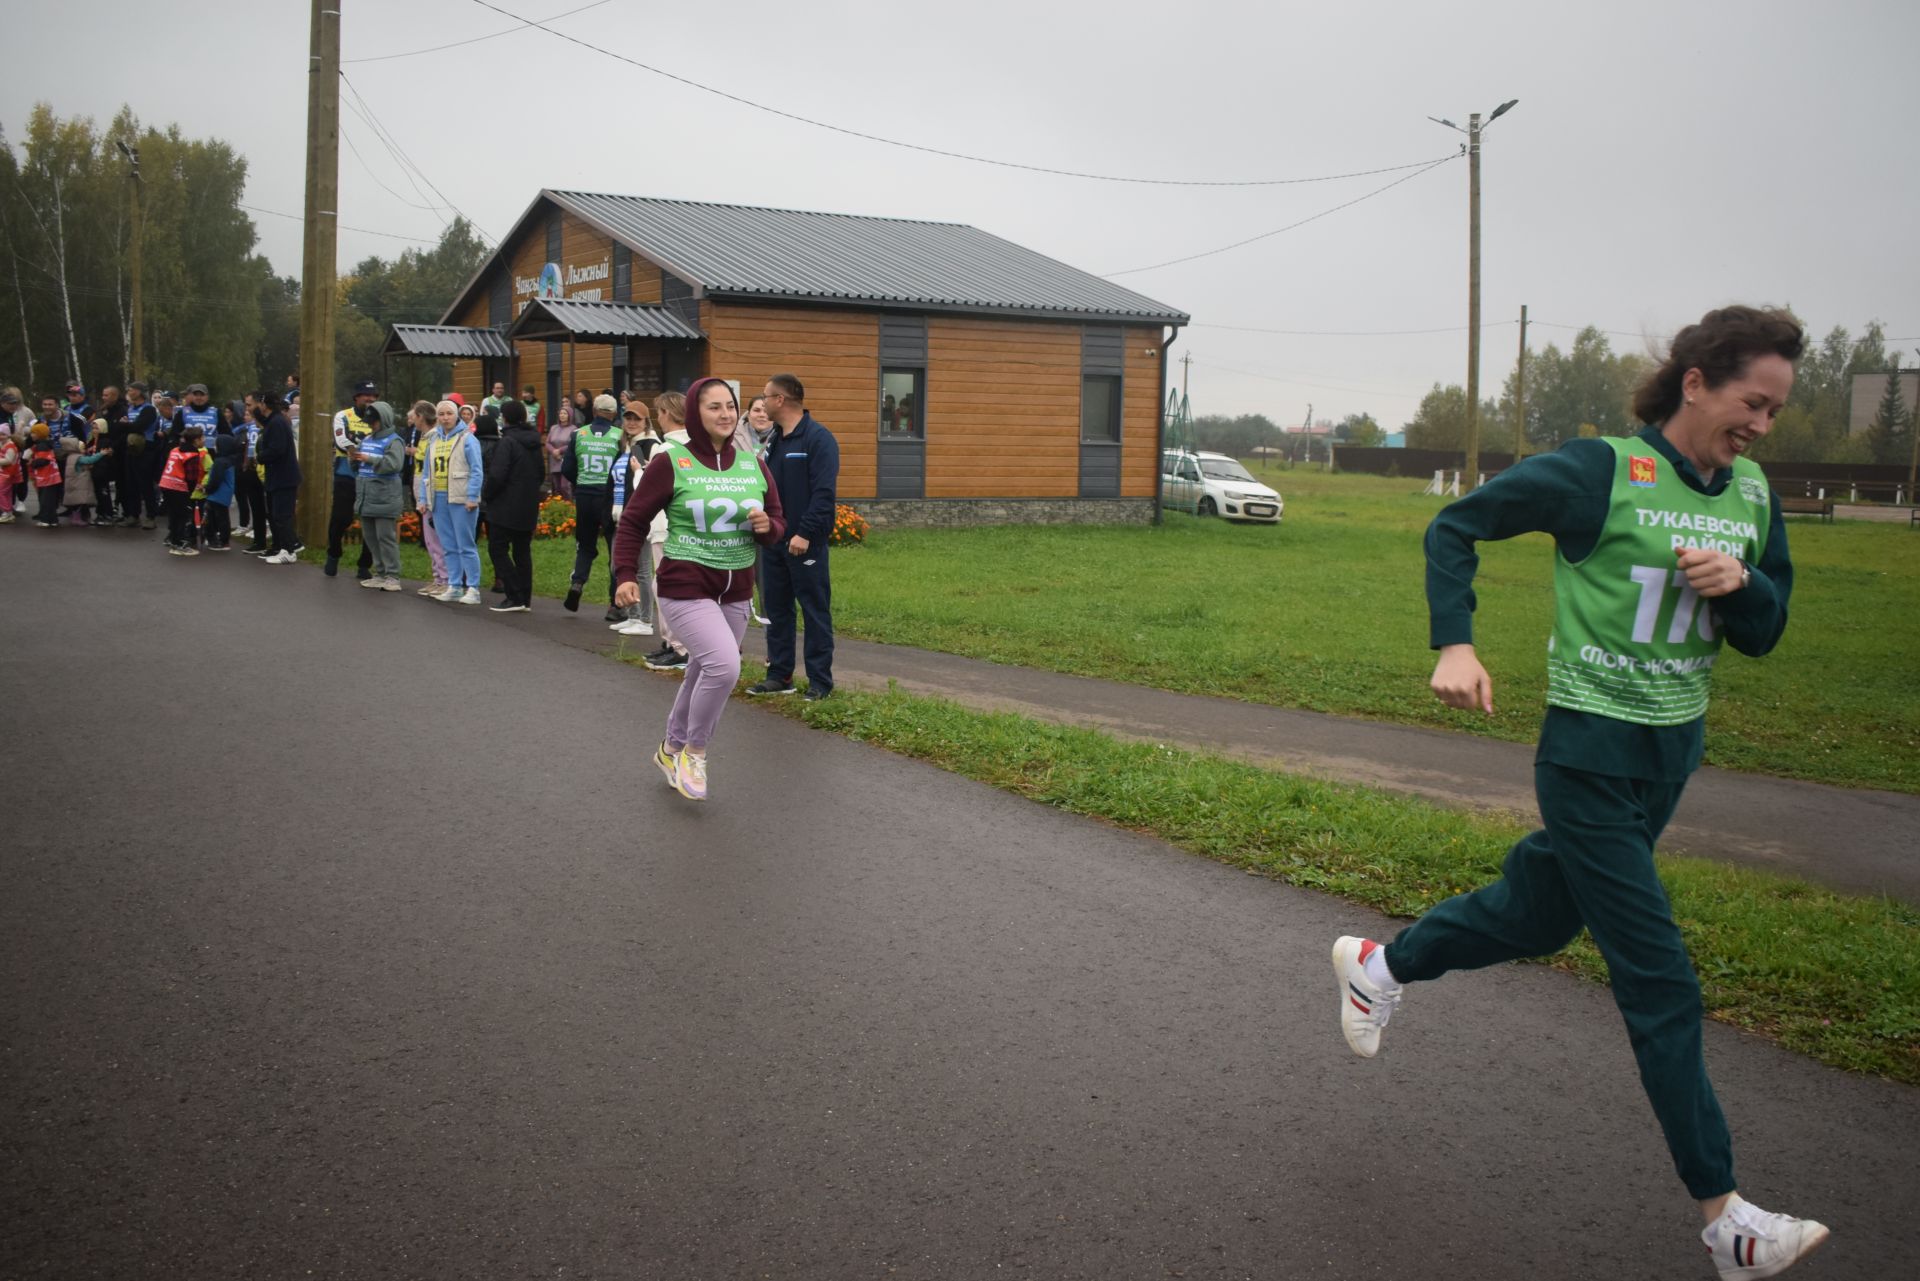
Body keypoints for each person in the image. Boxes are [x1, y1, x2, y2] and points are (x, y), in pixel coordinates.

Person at [1330, 306, 1826, 1279]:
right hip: (1587, 758)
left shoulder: (1754, 494)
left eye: (1775, 410)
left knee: (1539, 914)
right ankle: (1727, 1219)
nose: (1762, 425)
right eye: (1751, 402)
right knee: (1658, 975)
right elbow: (1456, 525)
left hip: (1669, 759)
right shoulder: (1602, 473)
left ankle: (1379, 968)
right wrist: (1456, 641)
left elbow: (1768, 629)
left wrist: (1741, 587)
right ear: (1696, 382)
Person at [611, 377, 785, 803]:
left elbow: (778, 521)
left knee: (701, 670)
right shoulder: (671, 462)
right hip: (685, 584)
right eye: (714, 407)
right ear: (695, 413)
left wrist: (768, 527)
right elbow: (633, 522)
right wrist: (624, 575)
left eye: (730, 406)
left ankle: (670, 748)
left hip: (736, 588)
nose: (725, 414)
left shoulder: (753, 464)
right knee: (724, 668)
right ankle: (695, 752)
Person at [746, 373, 839, 700]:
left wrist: (804, 533)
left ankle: (820, 683)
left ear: (781, 400)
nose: (763, 403)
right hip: (774, 542)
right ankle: (779, 675)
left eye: (767, 397)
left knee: (814, 610)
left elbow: (824, 495)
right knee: (777, 610)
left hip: (804, 544)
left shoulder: (818, 439)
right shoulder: (775, 440)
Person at [637, 391, 691, 670]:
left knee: (665, 587)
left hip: (664, 526)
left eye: (659, 412)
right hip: (685, 526)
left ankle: (678, 646)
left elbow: (646, 490)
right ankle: (672, 642)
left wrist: (638, 471)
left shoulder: (665, 449)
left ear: (667, 414)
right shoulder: (695, 446)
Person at [561, 393, 623, 619]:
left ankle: (577, 582)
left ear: (594, 411)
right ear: (614, 414)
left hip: (585, 494)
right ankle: (615, 605)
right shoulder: (619, 436)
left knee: (585, 545)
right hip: (609, 496)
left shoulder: (579, 434)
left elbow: (567, 467)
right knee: (615, 549)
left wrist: (581, 481)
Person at [483, 398, 543, 612]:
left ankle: (514, 593)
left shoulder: (507, 442)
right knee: (522, 551)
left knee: (497, 548)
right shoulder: (534, 441)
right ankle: (524, 598)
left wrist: (487, 494)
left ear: (505, 418)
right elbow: (541, 473)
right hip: (528, 503)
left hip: (505, 504)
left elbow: (497, 475)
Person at [608, 399, 661, 635]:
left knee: (641, 569)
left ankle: (645, 620)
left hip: (641, 517)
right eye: (628, 418)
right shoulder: (626, 446)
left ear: (646, 421)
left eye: (636, 419)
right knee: (621, 565)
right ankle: (633, 615)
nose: (631, 423)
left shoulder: (649, 445)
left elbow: (646, 482)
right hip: (623, 514)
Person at [427, 399, 484, 604]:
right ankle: (454, 585)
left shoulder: (467, 438)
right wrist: (425, 499)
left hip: (460, 498)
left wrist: (472, 496)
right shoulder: (433, 440)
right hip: (439, 498)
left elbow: (477, 470)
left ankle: (474, 588)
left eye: (449, 414)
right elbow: (427, 471)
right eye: (441, 414)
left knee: (465, 544)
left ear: (456, 415)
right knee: (448, 545)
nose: (445, 418)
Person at [327, 379, 378, 580]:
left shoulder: (377, 417)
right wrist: (355, 450)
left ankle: (365, 565)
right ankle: (333, 554)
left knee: (370, 520)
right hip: (346, 474)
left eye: (374, 396)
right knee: (341, 518)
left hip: (371, 476)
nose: (371, 399)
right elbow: (340, 440)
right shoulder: (343, 416)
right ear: (357, 397)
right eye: (367, 396)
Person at [352, 400, 406, 592]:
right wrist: (355, 459)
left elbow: (394, 465)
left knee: (386, 537)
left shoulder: (394, 441)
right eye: (369, 422)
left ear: (384, 420)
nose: (371, 425)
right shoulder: (366, 439)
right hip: (366, 496)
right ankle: (380, 573)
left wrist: (370, 459)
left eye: (374, 422)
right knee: (371, 538)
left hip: (384, 497)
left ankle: (393, 576)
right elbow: (359, 465)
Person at [253, 390, 302, 563]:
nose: (258, 406)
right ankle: (283, 546)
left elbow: (277, 449)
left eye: (260, 403)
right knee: (276, 514)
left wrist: (260, 456)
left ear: (265, 404)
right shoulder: (275, 421)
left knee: (282, 515)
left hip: (284, 476)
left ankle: (289, 550)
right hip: (278, 475)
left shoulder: (277, 422)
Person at [742, 394, 776, 626]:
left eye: (765, 410)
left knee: (767, 583)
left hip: (768, 517)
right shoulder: (733, 437)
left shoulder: (780, 438)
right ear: (748, 414)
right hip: (737, 517)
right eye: (756, 410)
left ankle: (771, 646)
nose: (761, 415)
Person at [159, 424, 208, 555]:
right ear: (196, 440)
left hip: (165, 483)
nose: (204, 440)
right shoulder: (192, 454)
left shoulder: (175, 450)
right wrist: (190, 492)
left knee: (174, 515)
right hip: (178, 487)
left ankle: (173, 539)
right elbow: (191, 477)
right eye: (202, 437)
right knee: (182, 516)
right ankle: (179, 543)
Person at [117, 384, 160, 529]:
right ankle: (133, 515)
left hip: (145, 449)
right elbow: (128, 426)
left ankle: (151, 516)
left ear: (140, 392)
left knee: (145, 484)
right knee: (131, 483)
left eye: (132, 390)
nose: (128, 392)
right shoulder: (130, 408)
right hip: (131, 448)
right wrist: (126, 425)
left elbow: (138, 426)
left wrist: (125, 425)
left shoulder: (148, 409)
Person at [201, 429, 238, 551]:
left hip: (217, 494)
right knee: (222, 517)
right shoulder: (230, 460)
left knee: (213, 518)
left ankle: (220, 541)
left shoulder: (220, 462)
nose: (214, 447)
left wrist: (207, 489)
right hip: (225, 494)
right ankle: (223, 540)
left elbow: (216, 479)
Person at [26, 424, 64, 527]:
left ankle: (46, 520)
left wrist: (32, 463)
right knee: (51, 499)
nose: (32, 435)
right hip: (52, 476)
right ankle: (53, 519)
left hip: (46, 476)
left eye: (34, 433)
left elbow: (43, 461)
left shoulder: (41, 446)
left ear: (40, 434)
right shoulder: (47, 444)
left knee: (45, 499)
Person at [545, 403, 576, 499]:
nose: (562, 415)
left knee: (565, 486)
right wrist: (553, 451)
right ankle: (559, 507)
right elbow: (548, 442)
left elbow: (572, 443)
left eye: (565, 413)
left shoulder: (573, 429)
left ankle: (569, 506)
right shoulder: (553, 428)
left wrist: (560, 450)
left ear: (570, 416)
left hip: (566, 459)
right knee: (557, 487)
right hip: (555, 459)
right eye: (561, 413)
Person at [0, 425, 18, 523]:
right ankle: (9, 512)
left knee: (1, 492)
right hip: (3, 473)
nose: (0, 436)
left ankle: (6, 512)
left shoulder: (10, 446)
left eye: (3, 434)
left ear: (8, 435)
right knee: (6, 493)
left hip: (8, 473)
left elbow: (9, 460)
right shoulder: (2, 444)